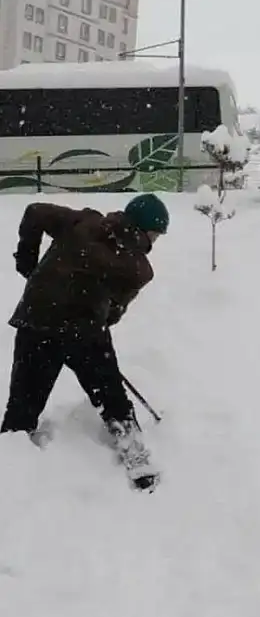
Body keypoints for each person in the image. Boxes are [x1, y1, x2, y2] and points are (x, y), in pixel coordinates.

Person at [2, 194, 169, 489]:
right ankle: (135, 456)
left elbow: (34, 211)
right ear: (145, 230)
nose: (155, 240)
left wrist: (28, 261)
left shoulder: (83, 221)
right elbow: (115, 311)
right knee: (111, 397)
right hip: (84, 333)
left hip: (36, 320)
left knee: (22, 406)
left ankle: (11, 464)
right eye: (156, 234)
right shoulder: (139, 268)